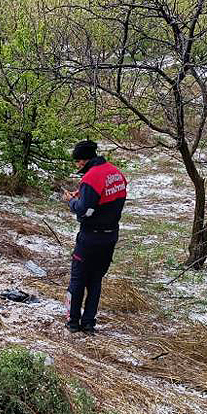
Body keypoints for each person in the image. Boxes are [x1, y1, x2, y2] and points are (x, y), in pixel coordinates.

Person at [62, 140, 127, 334]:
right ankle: (89, 323)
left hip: (90, 237)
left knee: (78, 279)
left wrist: (72, 201)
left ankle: (73, 322)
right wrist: (83, 195)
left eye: (77, 162)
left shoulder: (91, 178)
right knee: (96, 281)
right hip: (110, 237)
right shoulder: (116, 173)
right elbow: (106, 199)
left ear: (83, 160)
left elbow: (84, 211)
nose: (77, 166)